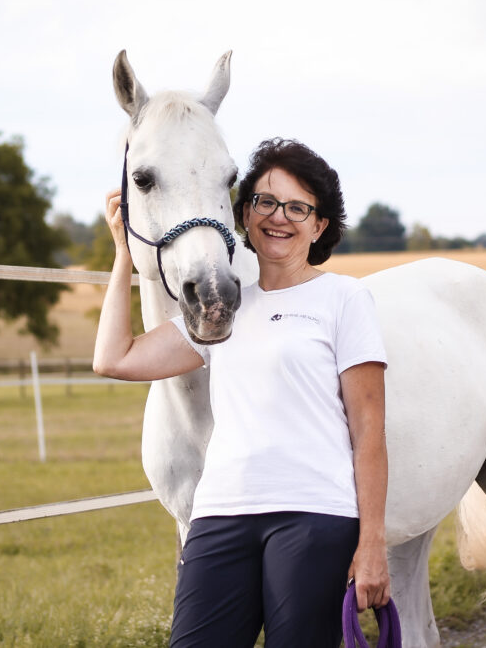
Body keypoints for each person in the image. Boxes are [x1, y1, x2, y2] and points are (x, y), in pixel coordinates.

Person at [94, 137, 390, 647]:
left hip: (313, 516)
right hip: (221, 514)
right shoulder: (220, 311)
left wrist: (371, 545)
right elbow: (113, 358)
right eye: (266, 202)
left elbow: (369, 434)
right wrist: (123, 254)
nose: (280, 216)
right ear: (245, 216)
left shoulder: (344, 299)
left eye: (299, 207)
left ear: (320, 225)